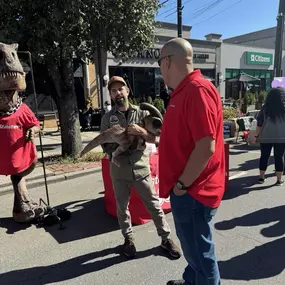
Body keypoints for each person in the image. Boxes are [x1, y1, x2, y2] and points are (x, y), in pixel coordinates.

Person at [158, 38, 225, 285]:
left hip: (194, 191)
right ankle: (191, 281)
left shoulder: (197, 90)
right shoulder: (184, 91)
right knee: (193, 249)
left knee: (200, 254)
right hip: (188, 190)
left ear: (166, 62)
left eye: (159, 62)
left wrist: (182, 186)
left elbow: (205, 147)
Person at [99, 76, 181, 259]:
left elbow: (157, 139)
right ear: (111, 95)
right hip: (118, 171)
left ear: (127, 91)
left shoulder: (142, 113)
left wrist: (141, 132)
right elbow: (105, 146)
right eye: (113, 90)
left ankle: (166, 239)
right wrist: (119, 142)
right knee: (122, 208)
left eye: (120, 89)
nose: (117, 93)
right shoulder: (107, 118)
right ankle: (128, 239)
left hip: (140, 168)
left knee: (153, 205)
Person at [253, 87, 285, 185]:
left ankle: (261, 177)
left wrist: (255, 136)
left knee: (264, 156)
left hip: (265, 136)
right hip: (281, 137)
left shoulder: (265, 108)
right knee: (279, 157)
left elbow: (259, 123)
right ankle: (279, 179)